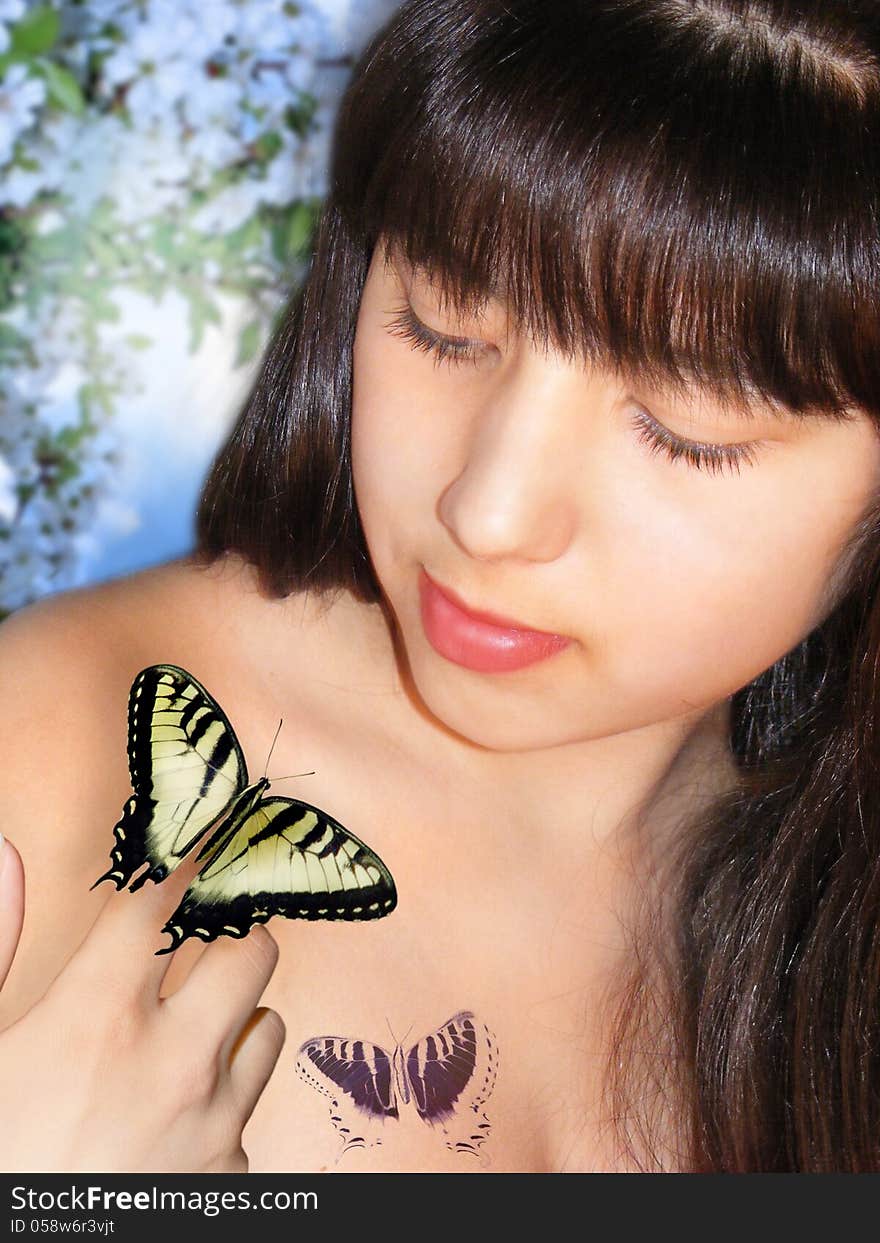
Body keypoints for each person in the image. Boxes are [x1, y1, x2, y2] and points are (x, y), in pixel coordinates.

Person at [1, 0, 880, 1173]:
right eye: (443, 327)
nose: (487, 511)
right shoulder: (59, 746)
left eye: (684, 430)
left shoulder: (833, 899)